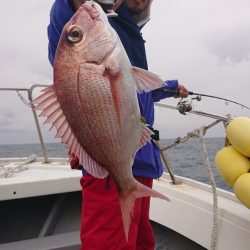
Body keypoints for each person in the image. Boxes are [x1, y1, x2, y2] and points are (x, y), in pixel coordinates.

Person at [47, 0, 189, 249]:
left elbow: (136, 89)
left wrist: (170, 87)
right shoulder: (84, 19)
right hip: (108, 167)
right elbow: (68, 21)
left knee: (142, 241)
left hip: (142, 161)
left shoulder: (124, 37)